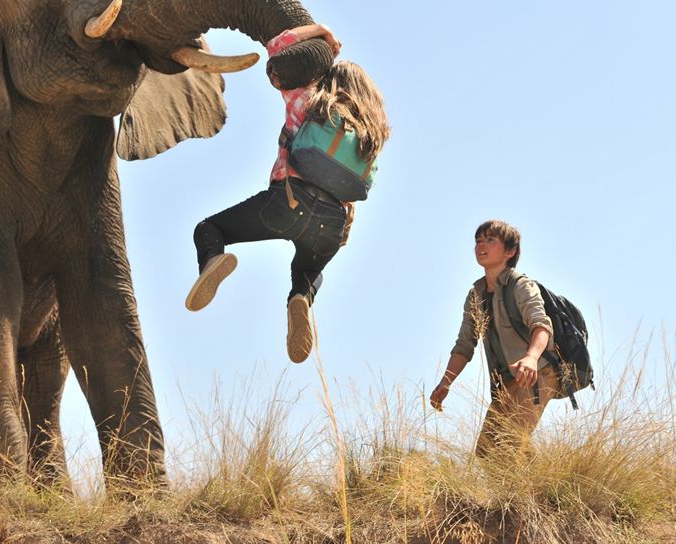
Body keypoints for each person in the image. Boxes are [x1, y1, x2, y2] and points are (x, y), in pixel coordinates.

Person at [185, 24, 391, 363]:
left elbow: (280, 46)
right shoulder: (371, 135)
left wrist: (322, 32)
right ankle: (300, 297)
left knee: (209, 229)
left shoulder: (311, 102)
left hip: (288, 201)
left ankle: (213, 260)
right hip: (332, 225)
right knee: (308, 270)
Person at [430, 220, 559, 456]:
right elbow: (464, 344)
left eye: (490, 240)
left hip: (536, 374)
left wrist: (530, 358)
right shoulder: (476, 294)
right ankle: (544, 485)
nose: (481, 245)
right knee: (486, 453)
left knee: (509, 445)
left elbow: (541, 325)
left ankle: (542, 487)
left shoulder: (521, 285)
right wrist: (445, 383)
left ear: (510, 251)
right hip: (505, 383)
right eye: (478, 240)